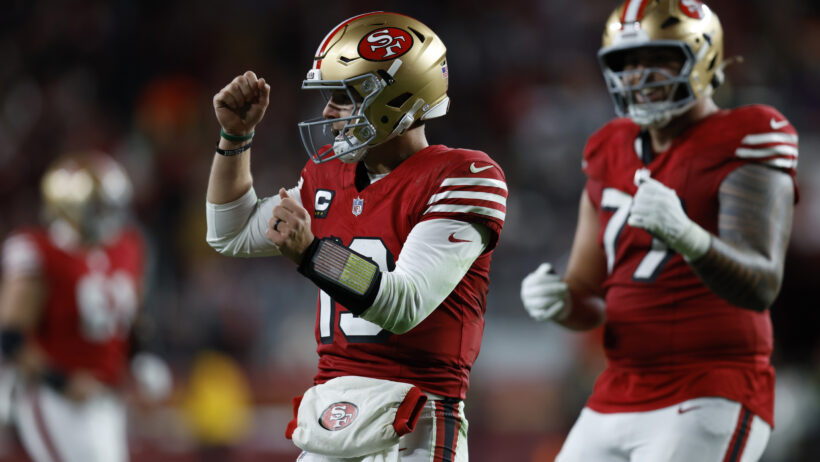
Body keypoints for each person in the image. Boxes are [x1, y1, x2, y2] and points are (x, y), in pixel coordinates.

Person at [205, 11, 507, 461]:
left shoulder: (463, 176)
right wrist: (235, 137)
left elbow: (404, 305)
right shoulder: (328, 175)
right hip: (330, 417)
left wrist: (312, 254)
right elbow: (228, 233)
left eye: (345, 96)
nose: (328, 111)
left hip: (416, 423)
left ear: (396, 99)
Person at [520, 0, 798, 461]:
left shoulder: (747, 134)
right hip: (617, 388)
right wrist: (561, 301)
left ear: (703, 57)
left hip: (711, 387)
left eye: (658, 59)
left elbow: (762, 284)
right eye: (626, 63)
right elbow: (588, 296)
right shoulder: (608, 148)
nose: (639, 75)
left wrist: (689, 237)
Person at [0, 151, 171, 462]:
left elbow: (131, 319)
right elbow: (11, 336)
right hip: (53, 397)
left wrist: (140, 358)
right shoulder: (39, 249)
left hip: (106, 397)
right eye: (99, 207)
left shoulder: (128, 246)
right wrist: (62, 380)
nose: (109, 217)